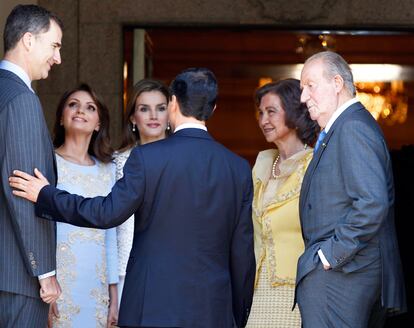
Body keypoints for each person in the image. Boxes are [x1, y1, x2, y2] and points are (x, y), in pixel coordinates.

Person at [10, 67, 256, 328]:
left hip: (151, 306)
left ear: (172, 102)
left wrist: (46, 195)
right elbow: (242, 253)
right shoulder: (238, 168)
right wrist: (237, 315)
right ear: (213, 109)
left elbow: (105, 213)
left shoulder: (148, 158)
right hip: (212, 310)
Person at [295, 51, 406, 327]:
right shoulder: (343, 127)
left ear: (336, 83)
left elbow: (371, 203)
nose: (303, 97)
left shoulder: (352, 127)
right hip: (344, 274)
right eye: (301, 89)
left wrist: (329, 256)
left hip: (344, 275)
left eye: (310, 85)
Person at [0, 5, 63, 327]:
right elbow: (23, 189)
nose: (58, 57)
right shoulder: (21, 99)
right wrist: (45, 272)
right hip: (16, 276)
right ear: (28, 40)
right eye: (54, 45)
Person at [246, 79, 319, 327]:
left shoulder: (316, 166)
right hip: (258, 291)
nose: (263, 120)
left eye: (271, 111)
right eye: (261, 113)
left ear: (295, 112)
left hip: (299, 293)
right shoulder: (263, 164)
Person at [48, 84, 119, 327]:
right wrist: (45, 285)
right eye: (73, 105)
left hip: (95, 286)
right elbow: (39, 227)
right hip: (58, 285)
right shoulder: (48, 162)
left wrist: (114, 294)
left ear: (98, 123)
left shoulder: (109, 171)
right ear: (61, 116)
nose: (81, 111)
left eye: (90, 107)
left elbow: (110, 236)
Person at [115, 79, 170, 301]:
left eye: (161, 108)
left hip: (173, 268)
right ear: (133, 118)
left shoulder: (184, 158)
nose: (153, 116)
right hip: (126, 270)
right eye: (144, 109)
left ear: (170, 114)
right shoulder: (117, 162)